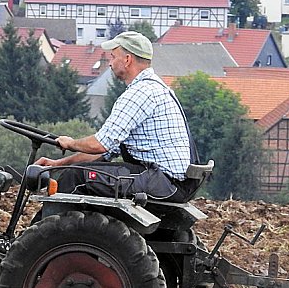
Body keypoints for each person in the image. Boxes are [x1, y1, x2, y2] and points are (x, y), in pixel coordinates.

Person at [35, 30, 197, 202]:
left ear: (127, 60)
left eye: (113, 57)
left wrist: (71, 143)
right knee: (83, 171)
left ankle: (53, 220)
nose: (110, 63)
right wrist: (58, 164)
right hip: (166, 181)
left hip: (162, 180)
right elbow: (106, 151)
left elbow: (100, 144)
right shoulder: (155, 88)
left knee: (75, 177)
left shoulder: (140, 93)